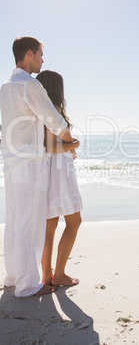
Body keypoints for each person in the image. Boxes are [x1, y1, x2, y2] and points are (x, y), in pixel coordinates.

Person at [0, 36, 80, 297]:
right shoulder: (29, 85)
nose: (42, 60)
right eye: (40, 55)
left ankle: (13, 277)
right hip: (30, 163)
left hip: (11, 163)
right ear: (30, 54)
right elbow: (54, 121)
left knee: (13, 221)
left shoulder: (5, 87)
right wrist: (72, 142)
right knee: (27, 223)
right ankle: (26, 285)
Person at [36, 70, 82, 287]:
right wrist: (74, 145)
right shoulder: (53, 109)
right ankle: (60, 274)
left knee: (51, 225)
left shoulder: (45, 109)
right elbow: (52, 145)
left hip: (51, 170)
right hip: (59, 173)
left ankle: (47, 276)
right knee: (74, 222)